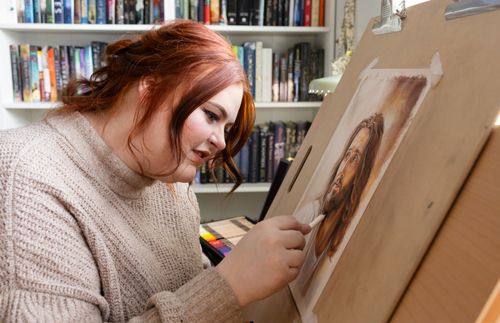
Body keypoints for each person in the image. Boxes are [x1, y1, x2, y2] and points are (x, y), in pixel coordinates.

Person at [0, 20, 311, 322]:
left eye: (227, 127)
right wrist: (229, 286)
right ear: (150, 90)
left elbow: (188, 284)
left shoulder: (167, 180)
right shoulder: (28, 174)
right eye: (211, 115)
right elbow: (209, 296)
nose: (221, 141)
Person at [293, 113, 384, 293]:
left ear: (362, 176)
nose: (343, 169)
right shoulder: (307, 215)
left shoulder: (346, 246)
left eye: (355, 159)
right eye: (347, 155)